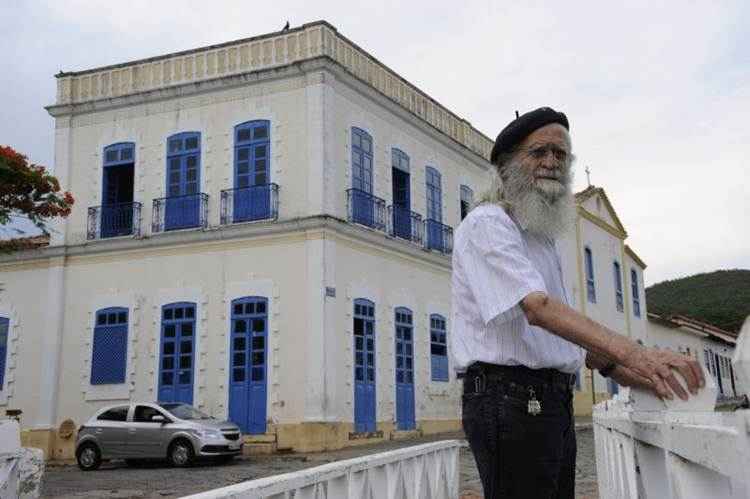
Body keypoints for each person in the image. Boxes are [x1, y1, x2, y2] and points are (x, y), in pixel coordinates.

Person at [451, 107, 704, 499]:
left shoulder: (542, 239)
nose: (552, 162)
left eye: (561, 154)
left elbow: (563, 339)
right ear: (505, 167)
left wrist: (622, 369)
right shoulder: (488, 223)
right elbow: (540, 310)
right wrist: (635, 352)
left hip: (549, 399)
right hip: (511, 400)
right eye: (539, 152)